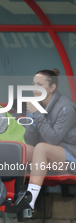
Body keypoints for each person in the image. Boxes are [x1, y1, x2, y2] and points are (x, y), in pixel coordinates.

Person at [25, 69, 76, 209]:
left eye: (39, 84)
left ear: (52, 87)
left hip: (71, 157)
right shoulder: (36, 105)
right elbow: (29, 140)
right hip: (49, 158)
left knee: (42, 147)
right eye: (33, 84)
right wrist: (31, 117)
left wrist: (37, 114)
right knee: (22, 149)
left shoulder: (66, 107)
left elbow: (53, 140)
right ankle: (13, 195)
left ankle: (29, 200)